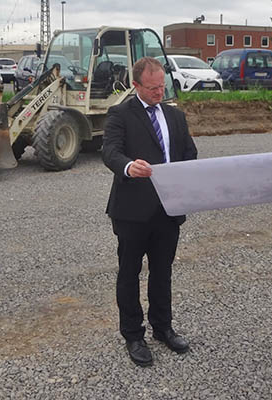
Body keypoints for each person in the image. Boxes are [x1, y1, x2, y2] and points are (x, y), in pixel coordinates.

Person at [102, 57, 198, 367]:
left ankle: (163, 328)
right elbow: (110, 152)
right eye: (152, 87)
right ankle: (133, 334)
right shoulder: (120, 114)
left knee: (163, 271)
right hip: (132, 211)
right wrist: (129, 166)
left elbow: (189, 153)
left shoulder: (175, 116)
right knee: (129, 273)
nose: (159, 92)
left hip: (168, 210)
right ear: (136, 85)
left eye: (162, 86)